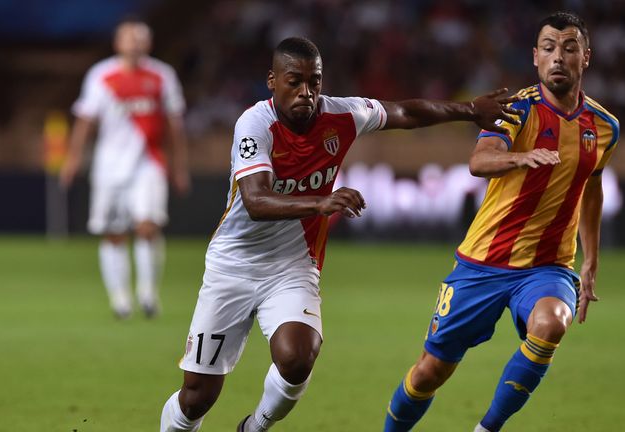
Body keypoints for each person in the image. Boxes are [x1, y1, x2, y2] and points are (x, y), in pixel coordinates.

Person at [160, 36, 522, 432]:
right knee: (197, 397)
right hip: (232, 266)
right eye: (294, 81)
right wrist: (320, 202)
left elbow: (404, 111)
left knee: (299, 356)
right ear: (272, 81)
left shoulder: (342, 113)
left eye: (314, 82)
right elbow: (255, 200)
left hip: (292, 266)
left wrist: (469, 110)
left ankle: (254, 426)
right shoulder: (254, 124)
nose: (306, 92)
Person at [383, 12, 619, 432]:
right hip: (482, 263)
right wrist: (519, 158)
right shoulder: (518, 109)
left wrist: (591, 260)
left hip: (548, 267)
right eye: (548, 49)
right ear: (535, 57)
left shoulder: (603, 126)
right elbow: (479, 160)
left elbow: (592, 187)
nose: (558, 58)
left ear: (587, 57)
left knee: (551, 323)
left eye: (568, 48)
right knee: (429, 372)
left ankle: (486, 429)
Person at [59, 17, 190, 319]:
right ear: (118, 43)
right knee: (113, 233)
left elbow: (174, 125)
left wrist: (179, 166)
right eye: (128, 38)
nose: (134, 43)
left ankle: (148, 293)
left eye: (139, 38)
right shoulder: (100, 75)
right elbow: (85, 121)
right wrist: (73, 158)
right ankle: (120, 299)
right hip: (109, 166)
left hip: (149, 162)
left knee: (147, 226)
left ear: (148, 43)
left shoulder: (162, 76)